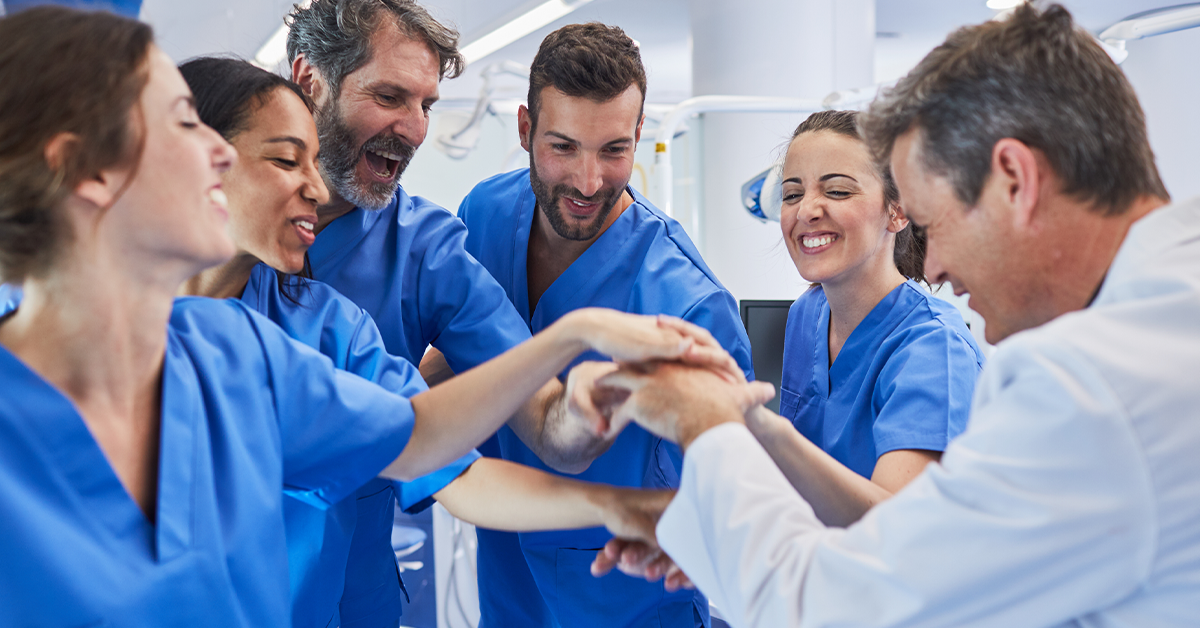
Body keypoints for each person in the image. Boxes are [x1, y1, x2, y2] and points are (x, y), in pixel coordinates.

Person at [0, 7, 707, 625]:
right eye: (185, 124)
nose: (416, 128)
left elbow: (427, 442)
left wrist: (613, 467)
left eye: (427, 102)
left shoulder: (243, 346)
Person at [592, 4, 1200, 626]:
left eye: (934, 222)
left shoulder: (1092, 386)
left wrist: (708, 426)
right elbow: (948, 554)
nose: (932, 267)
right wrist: (725, 508)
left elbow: (838, 603)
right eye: (795, 192)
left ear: (1015, 179)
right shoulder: (1172, 304)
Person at [177, 56, 696, 628]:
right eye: (284, 160)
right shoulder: (109, 325)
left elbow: (433, 446)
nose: (316, 187)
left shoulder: (317, 331)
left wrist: (621, 503)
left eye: (426, 105)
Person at [452, 22, 753, 628]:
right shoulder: (483, 215)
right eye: (563, 147)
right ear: (523, 129)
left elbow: (732, 498)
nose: (588, 183)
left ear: (639, 135)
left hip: (630, 604)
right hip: (509, 585)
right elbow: (466, 342)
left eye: (614, 150)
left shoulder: (686, 302)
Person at [744, 110, 982, 527]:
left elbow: (897, 525)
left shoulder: (932, 348)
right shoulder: (807, 316)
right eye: (792, 193)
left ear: (898, 210)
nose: (807, 211)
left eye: (836, 191)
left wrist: (760, 427)